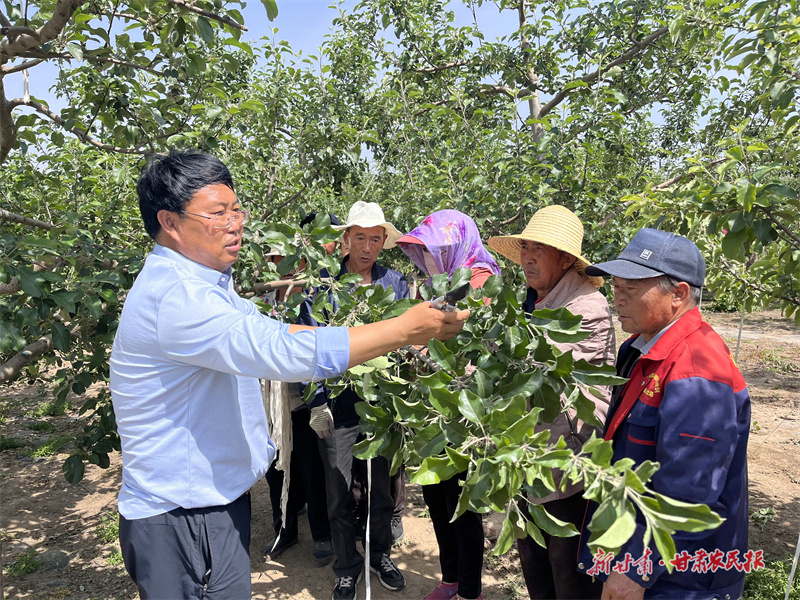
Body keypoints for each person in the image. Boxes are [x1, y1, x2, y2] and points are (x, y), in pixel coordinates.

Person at [109, 151, 468, 600]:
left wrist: (387, 331)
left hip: (211, 503)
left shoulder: (208, 286)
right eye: (219, 213)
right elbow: (279, 350)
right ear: (171, 222)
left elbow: (277, 330)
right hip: (180, 514)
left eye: (236, 209)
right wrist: (402, 329)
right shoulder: (177, 298)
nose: (235, 223)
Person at [576, 228, 750, 600]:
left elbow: (690, 490)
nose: (616, 299)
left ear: (679, 294)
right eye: (616, 287)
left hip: (679, 576)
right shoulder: (638, 348)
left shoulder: (697, 369)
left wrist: (637, 568)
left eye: (630, 289)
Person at [488, 204, 615, 600]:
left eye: (538, 248)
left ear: (565, 258)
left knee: (570, 579)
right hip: (530, 461)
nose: (527, 256)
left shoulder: (586, 307)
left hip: (566, 470)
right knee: (536, 570)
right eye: (525, 245)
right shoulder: (535, 299)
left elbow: (531, 364)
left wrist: (475, 341)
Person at [299, 200, 410, 600]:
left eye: (375, 239)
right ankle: (346, 567)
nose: (367, 247)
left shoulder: (395, 284)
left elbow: (404, 341)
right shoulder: (321, 287)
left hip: (381, 407)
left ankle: (379, 555)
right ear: (346, 239)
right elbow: (310, 348)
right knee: (340, 490)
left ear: (383, 242)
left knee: (381, 489)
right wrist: (317, 403)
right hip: (339, 407)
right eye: (360, 237)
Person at [397, 209, 501, 600]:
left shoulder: (481, 281)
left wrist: (428, 348)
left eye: (432, 251)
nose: (426, 260)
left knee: (463, 505)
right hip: (434, 407)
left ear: (454, 246)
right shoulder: (432, 286)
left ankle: (469, 590)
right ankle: (450, 578)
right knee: (437, 500)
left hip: (467, 411)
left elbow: (481, 348)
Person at [261, 218, 340, 567]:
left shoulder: (311, 292)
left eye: (283, 257)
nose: (278, 263)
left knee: (311, 465)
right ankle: (285, 528)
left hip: (302, 397)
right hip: (270, 399)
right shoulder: (264, 294)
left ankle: (322, 534)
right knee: (275, 466)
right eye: (273, 258)